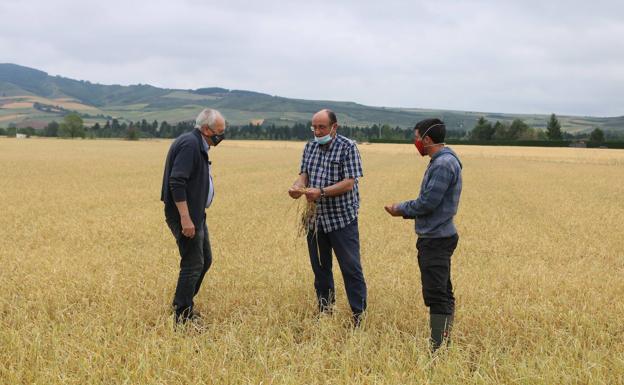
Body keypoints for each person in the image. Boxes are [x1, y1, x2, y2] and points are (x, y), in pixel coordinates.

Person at [384, 118, 463, 351]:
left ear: (427, 139)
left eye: (417, 137)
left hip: (436, 239)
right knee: (442, 291)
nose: (415, 142)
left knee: (437, 294)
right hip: (439, 236)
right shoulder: (445, 159)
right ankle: (443, 341)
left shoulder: (442, 164)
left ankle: (438, 347)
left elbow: (428, 203)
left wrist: (400, 209)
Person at [288, 109, 368, 326]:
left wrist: (321, 192)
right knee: (320, 268)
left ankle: (359, 316)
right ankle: (325, 311)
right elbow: (304, 173)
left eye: (322, 127)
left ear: (334, 127)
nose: (317, 131)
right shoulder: (310, 146)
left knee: (351, 268)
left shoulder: (348, 147)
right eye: (314, 127)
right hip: (315, 220)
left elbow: (349, 182)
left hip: (341, 219)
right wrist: (298, 186)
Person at [161, 108, 226, 324]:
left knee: (204, 260)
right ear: (206, 129)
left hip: (196, 214)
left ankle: (184, 301)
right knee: (193, 263)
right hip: (185, 215)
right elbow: (176, 182)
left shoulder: (196, 143)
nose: (221, 136)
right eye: (219, 131)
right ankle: (183, 314)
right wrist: (185, 219)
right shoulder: (190, 145)